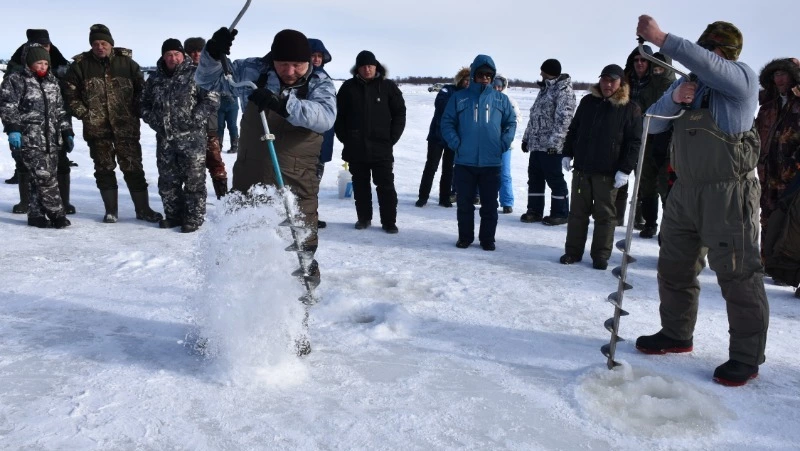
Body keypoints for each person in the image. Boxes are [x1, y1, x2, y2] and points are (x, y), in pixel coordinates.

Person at [634, 16, 769, 387]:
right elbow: (652, 123)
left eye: (713, 51)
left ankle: (745, 356)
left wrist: (662, 39)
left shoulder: (741, 81)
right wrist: (674, 98)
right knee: (674, 267)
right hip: (685, 192)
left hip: (728, 194)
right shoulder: (687, 84)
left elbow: (710, 66)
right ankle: (676, 334)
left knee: (739, 276)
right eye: (703, 47)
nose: (704, 57)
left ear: (725, 55)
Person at [195, 27, 336, 274]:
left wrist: (283, 104)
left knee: (300, 252)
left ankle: (299, 308)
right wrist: (212, 55)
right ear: (273, 59)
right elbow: (207, 80)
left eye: (297, 65)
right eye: (283, 64)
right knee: (242, 249)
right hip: (250, 178)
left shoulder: (319, 82)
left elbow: (324, 117)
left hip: (296, 182)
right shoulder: (253, 70)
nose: (290, 72)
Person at [63, 24, 163, 224]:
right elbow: (70, 95)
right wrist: (85, 114)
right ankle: (111, 211)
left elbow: (142, 91)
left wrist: (134, 110)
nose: (100, 47)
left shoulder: (127, 64)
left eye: (103, 43)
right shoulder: (80, 66)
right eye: (96, 43)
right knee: (104, 168)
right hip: (97, 129)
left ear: (110, 44)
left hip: (126, 128)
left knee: (133, 167)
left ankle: (143, 209)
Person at [559, 64, 642, 269]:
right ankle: (572, 252)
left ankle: (600, 255)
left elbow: (634, 143)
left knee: (605, 217)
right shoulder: (588, 102)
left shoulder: (630, 108)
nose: (607, 84)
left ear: (620, 83)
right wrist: (567, 152)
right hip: (583, 169)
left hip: (609, 174)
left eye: (612, 80)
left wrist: (625, 169)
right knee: (577, 214)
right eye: (604, 80)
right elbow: (574, 129)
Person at [141, 39, 219, 233]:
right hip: (165, 140)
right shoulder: (154, 79)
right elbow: (143, 104)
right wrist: (154, 120)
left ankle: (193, 218)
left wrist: (193, 119)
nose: (172, 58)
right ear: (163, 56)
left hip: (192, 140)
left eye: (176, 54)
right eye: (168, 54)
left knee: (194, 181)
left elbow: (211, 100)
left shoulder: (196, 74)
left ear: (182, 55)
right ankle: (173, 216)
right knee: (168, 181)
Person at [440, 55, 517, 251]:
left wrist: (503, 143)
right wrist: (456, 143)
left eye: (488, 75)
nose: (485, 78)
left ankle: (487, 239)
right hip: (465, 161)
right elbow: (447, 122)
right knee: (464, 204)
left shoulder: (501, 99)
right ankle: (465, 237)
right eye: (481, 74)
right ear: (474, 75)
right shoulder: (459, 97)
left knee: (490, 206)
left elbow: (510, 123)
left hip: (491, 163)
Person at [0, 43, 73, 228]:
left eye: (46, 63)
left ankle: (36, 215)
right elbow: (8, 106)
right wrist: (14, 129)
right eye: (39, 63)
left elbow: (60, 110)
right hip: (29, 138)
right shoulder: (15, 80)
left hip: (52, 139)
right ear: (29, 63)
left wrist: (66, 131)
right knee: (44, 177)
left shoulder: (52, 82)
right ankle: (57, 214)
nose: (43, 67)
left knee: (38, 179)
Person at [335, 50, 406, 233]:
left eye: (370, 66)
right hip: (355, 147)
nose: (367, 69)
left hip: (381, 147)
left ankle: (389, 222)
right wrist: (346, 137)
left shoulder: (388, 87)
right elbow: (338, 115)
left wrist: (392, 137)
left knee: (386, 186)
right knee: (360, 186)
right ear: (357, 68)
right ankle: (364, 218)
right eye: (363, 66)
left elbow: (400, 113)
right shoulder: (348, 88)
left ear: (376, 67)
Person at [620, 44, 675, 237]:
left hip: (665, 141)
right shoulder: (634, 82)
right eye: (637, 60)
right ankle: (650, 222)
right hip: (642, 139)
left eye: (644, 60)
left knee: (665, 185)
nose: (640, 64)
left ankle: (669, 228)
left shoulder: (668, 84)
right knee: (645, 183)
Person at [520, 58, 576, 225]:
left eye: (542, 71)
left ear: (549, 72)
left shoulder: (563, 91)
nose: (540, 74)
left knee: (554, 179)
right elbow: (534, 116)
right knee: (535, 178)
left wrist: (555, 144)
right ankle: (534, 211)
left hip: (551, 147)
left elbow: (564, 121)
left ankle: (560, 212)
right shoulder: (545, 90)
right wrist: (526, 138)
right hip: (537, 144)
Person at [755, 58, 800, 263]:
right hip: (766, 170)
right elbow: (755, 134)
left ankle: (785, 265)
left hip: (792, 172)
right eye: (776, 75)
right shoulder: (766, 106)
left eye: (784, 74)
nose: (780, 79)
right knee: (767, 214)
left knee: (788, 218)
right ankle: (767, 261)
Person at [415, 66, 470, 208]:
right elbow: (439, 104)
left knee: (448, 170)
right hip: (437, 136)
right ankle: (423, 197)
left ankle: (444, 198)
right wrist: (458, 104)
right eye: (465, 80)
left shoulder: (469, 96)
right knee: (431, 167)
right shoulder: (447, 89)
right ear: (460, 79)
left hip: (453, 138)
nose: (467, 83)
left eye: (470, 80)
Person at [185, 37, 228, 200]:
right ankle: (192, 198)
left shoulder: (212, 70)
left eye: (199, 51)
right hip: (186, 131)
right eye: (192, 51)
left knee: (215, 162)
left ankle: (223, 198)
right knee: (190, 165)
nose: (196, 55)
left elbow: (214, 99)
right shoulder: (181, 72)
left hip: (209, 126)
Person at [308, 38, 334, 228]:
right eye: (313, 55)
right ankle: (303, 216)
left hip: (323, 138)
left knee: (314, 183)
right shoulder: (304, 77)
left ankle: (310, 215)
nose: (317, 59)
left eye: (319, 56)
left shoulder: (324, 77)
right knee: (302, 182)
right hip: (306, 141)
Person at [492, 74, 520, 214]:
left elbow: (516, 119)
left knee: (504, 174)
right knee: (485, 172)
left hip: (505, 144)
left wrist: (503, 131)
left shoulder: (510, 101)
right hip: (488, 143)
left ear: (504, 87)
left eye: (499, 86)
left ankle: (507, 202)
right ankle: (481, 197)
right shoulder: (487, 99)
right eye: (494, 85)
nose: (497, 88)